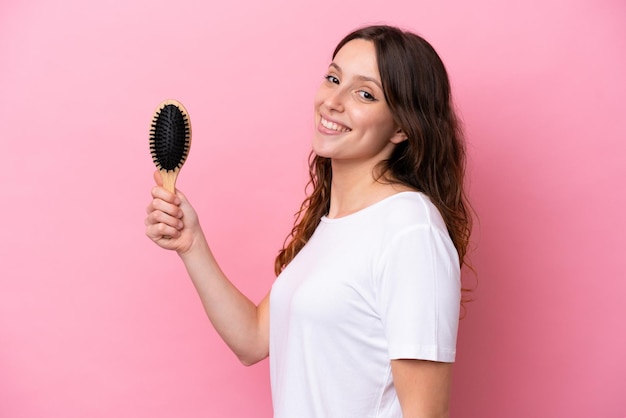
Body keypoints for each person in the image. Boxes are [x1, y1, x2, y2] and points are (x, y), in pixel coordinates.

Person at [145, 24, 472, 418]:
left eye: (364, 93)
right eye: (333, 78)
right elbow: (252, 340)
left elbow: (426, 414)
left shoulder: (410, 229)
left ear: (402, 127)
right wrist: (191, 243)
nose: (333, 101)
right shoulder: (332, 227)